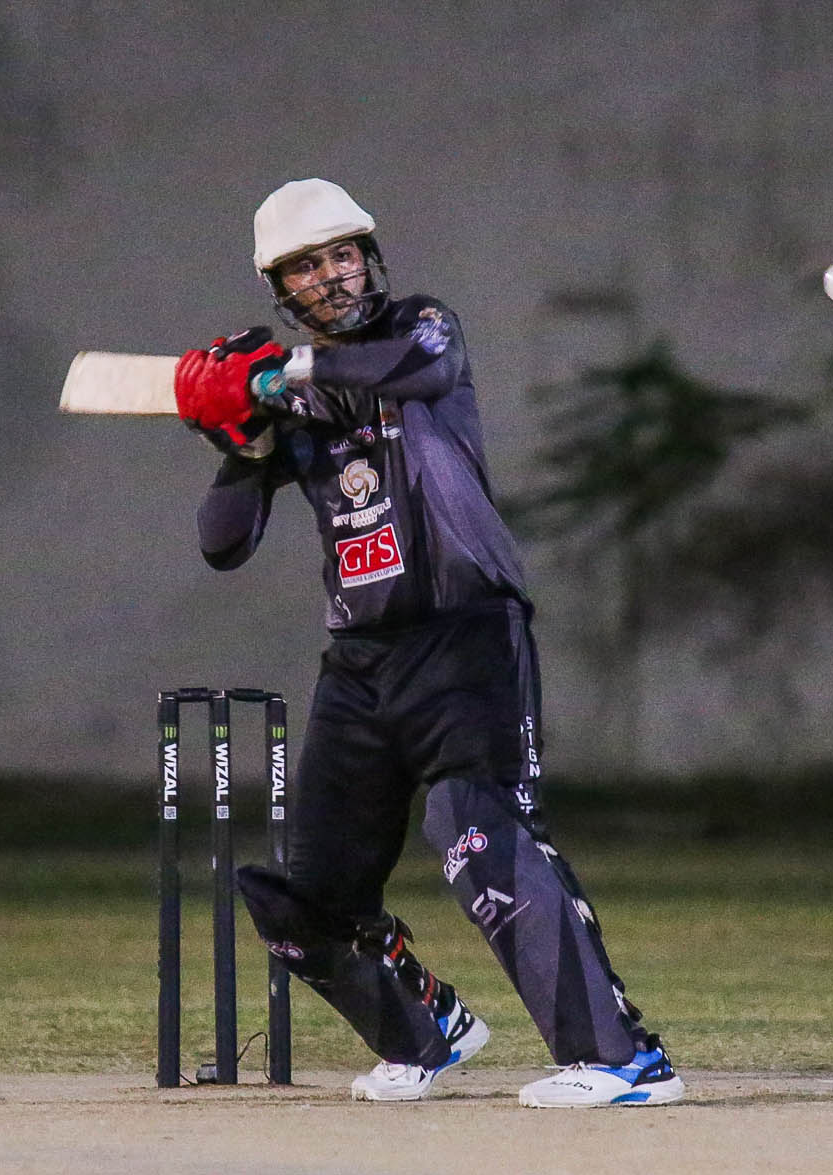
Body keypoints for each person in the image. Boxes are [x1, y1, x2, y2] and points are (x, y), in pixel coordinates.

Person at [172, 178, 684, 1107]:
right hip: (361, 663)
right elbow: (222, 543)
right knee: (306, 900)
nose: (332, 276)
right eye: (306, 266)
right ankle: (426, 1029)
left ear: (368, 258)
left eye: (343, 255)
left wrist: (281, 373)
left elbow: (416, 369)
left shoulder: (421, 327)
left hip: (466, 634)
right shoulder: (290, 401)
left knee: (479, 835)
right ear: (280, 287)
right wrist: (242, 436)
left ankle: (623, 1060)